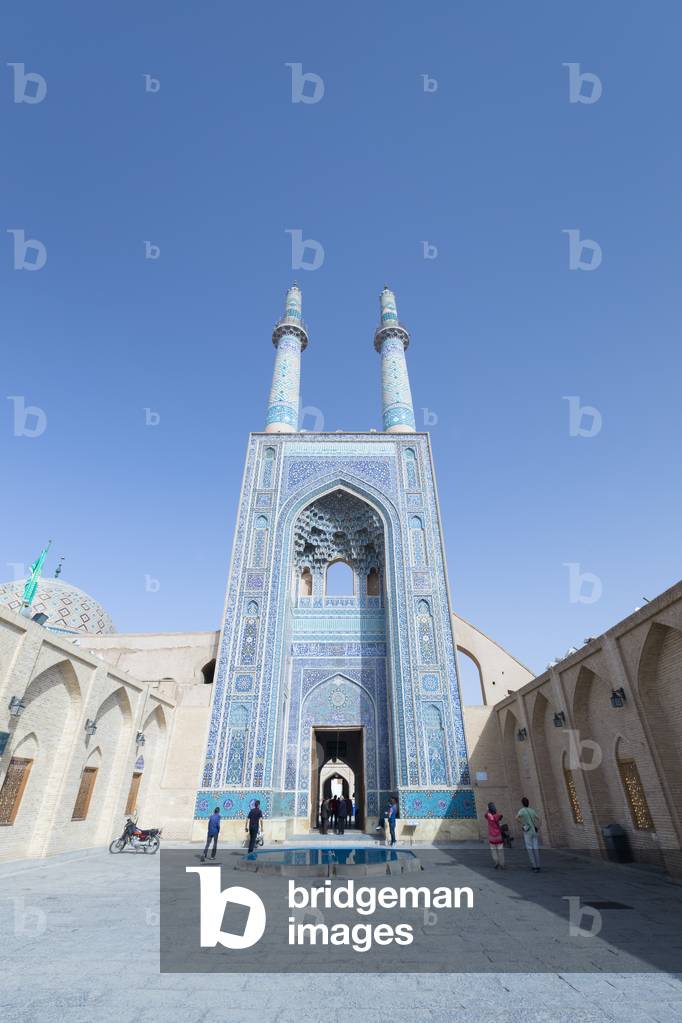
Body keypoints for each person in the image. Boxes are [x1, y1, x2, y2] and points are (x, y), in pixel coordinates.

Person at [517, 796, 541, 872]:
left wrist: (523, 823)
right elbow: (539, 819)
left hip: (527, 831)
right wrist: (538, 827)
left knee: (529, 848)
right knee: (535, 848)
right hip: (534, 831)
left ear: (522, 803)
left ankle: (534, 866)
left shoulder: (522, 810)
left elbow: (517, 818)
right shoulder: (532, 810)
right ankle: (538, 865)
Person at [485, 802, 505, 869]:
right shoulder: (497, 815)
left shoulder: (488, 815)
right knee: (500, 850)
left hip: (492, 836)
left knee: (493, 850)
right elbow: (500, 817)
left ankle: (496, 862)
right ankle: (502, 863)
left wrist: (487, 810)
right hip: (498, 835)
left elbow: (485, 815)